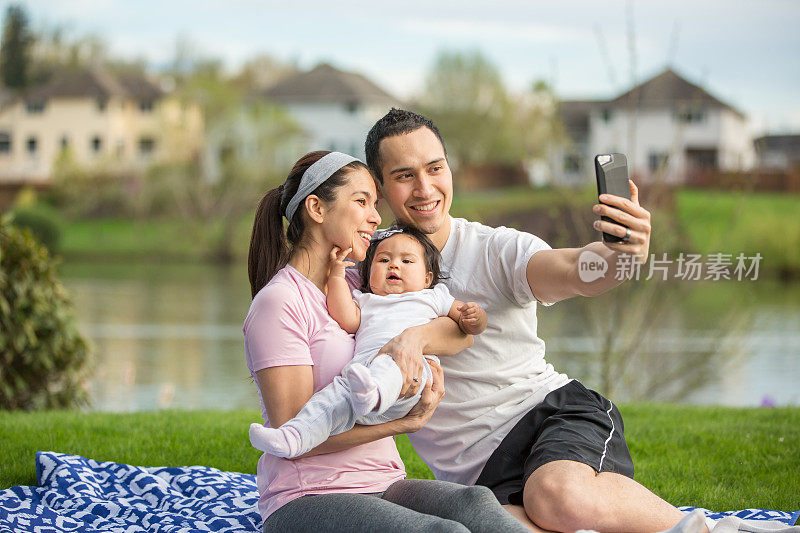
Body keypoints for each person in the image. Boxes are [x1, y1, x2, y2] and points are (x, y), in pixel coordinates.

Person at [362, 108, 703, 533]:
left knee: (557, 498)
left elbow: (574, 269)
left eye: (435, 168)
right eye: (404, 175)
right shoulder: (368, 270)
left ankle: (701, 529)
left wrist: (619, 254)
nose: (425, 187)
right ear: (378, 189)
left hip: (548, 416)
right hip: (480, 477)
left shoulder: (495, 249)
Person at [244, 149, 537, 533]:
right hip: (308, 497)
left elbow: (459, 336)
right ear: (316, 208)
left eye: (375, 203)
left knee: (476, 503)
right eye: (362, 201)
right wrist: (403, 424)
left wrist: (411, 341)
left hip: (382, 483)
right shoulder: (279, 303)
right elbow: (296, 435)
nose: (376, 217)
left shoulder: (357, 282)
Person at [248, 224, 487, 459]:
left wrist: (475, 319)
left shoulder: (433, 296)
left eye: (407, 261)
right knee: (330, 399)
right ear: (369, 273)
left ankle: (373, 393)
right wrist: (337, 276)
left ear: (427, 278)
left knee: (390, 365)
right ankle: (293, 437)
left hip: (410, 376)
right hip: (360, 380)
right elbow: (347, 319)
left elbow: (465, 327)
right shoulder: (366, 300)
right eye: (383, 260)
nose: (394, 264)